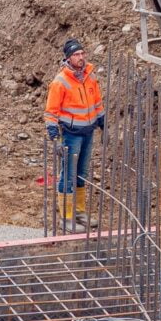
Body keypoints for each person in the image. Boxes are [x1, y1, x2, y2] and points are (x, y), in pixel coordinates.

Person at [44, 38, 105, 230]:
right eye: (76, 55)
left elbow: (97, 102)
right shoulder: (60, 82)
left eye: (82, 53)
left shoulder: (90, 76)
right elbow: (51, 111)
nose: (81, 57)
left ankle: (79, 212)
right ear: (68, 58)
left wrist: (102, 121)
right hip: (71, 134)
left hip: (88, 131)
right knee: (68, 175)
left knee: (82, 174)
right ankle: (66, 217)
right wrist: (54, 133)